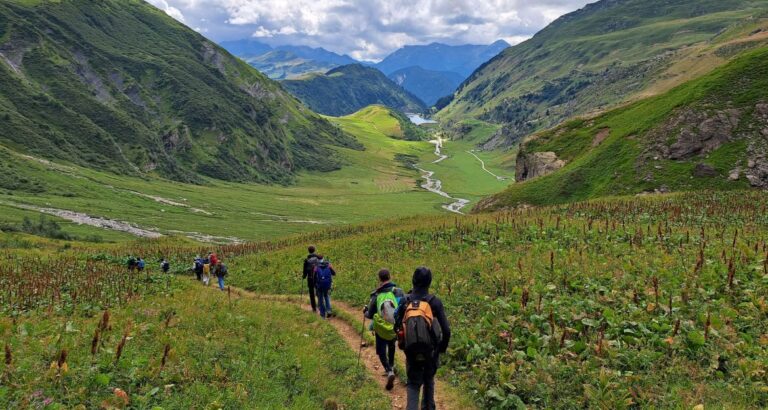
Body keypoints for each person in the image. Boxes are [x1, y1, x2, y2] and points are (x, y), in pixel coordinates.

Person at [395, 267, 451, 410]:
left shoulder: (405, 301)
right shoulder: (434, 302)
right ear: (429, 282)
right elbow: (446, 330)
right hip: (431, 352)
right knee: (428, 381)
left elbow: (397, 326)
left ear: (413, 281)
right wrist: (441, 349)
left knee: (413, 385)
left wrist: (403, 344)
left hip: (412, 351)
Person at [365, 269, 405, 391]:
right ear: (390, 276)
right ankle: (392, 366)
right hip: (394, 327)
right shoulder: (398, 291)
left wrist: (365, 311)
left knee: (381, 351)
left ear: (379, 279)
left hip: (381, 328)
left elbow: (370, 314)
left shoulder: (376, 294)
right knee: (392, 345)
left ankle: (388, 370)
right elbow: (403, 307)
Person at [302, 246, 320, 312]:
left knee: (311, 293)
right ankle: (320, 306)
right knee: (318, 292)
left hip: (310, 278)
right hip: (318, 277)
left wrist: (304, 276)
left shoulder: (306, 260)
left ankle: (314, 308)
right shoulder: (318, 259)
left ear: (308, 251)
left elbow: (305, 271)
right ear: (314, 250)